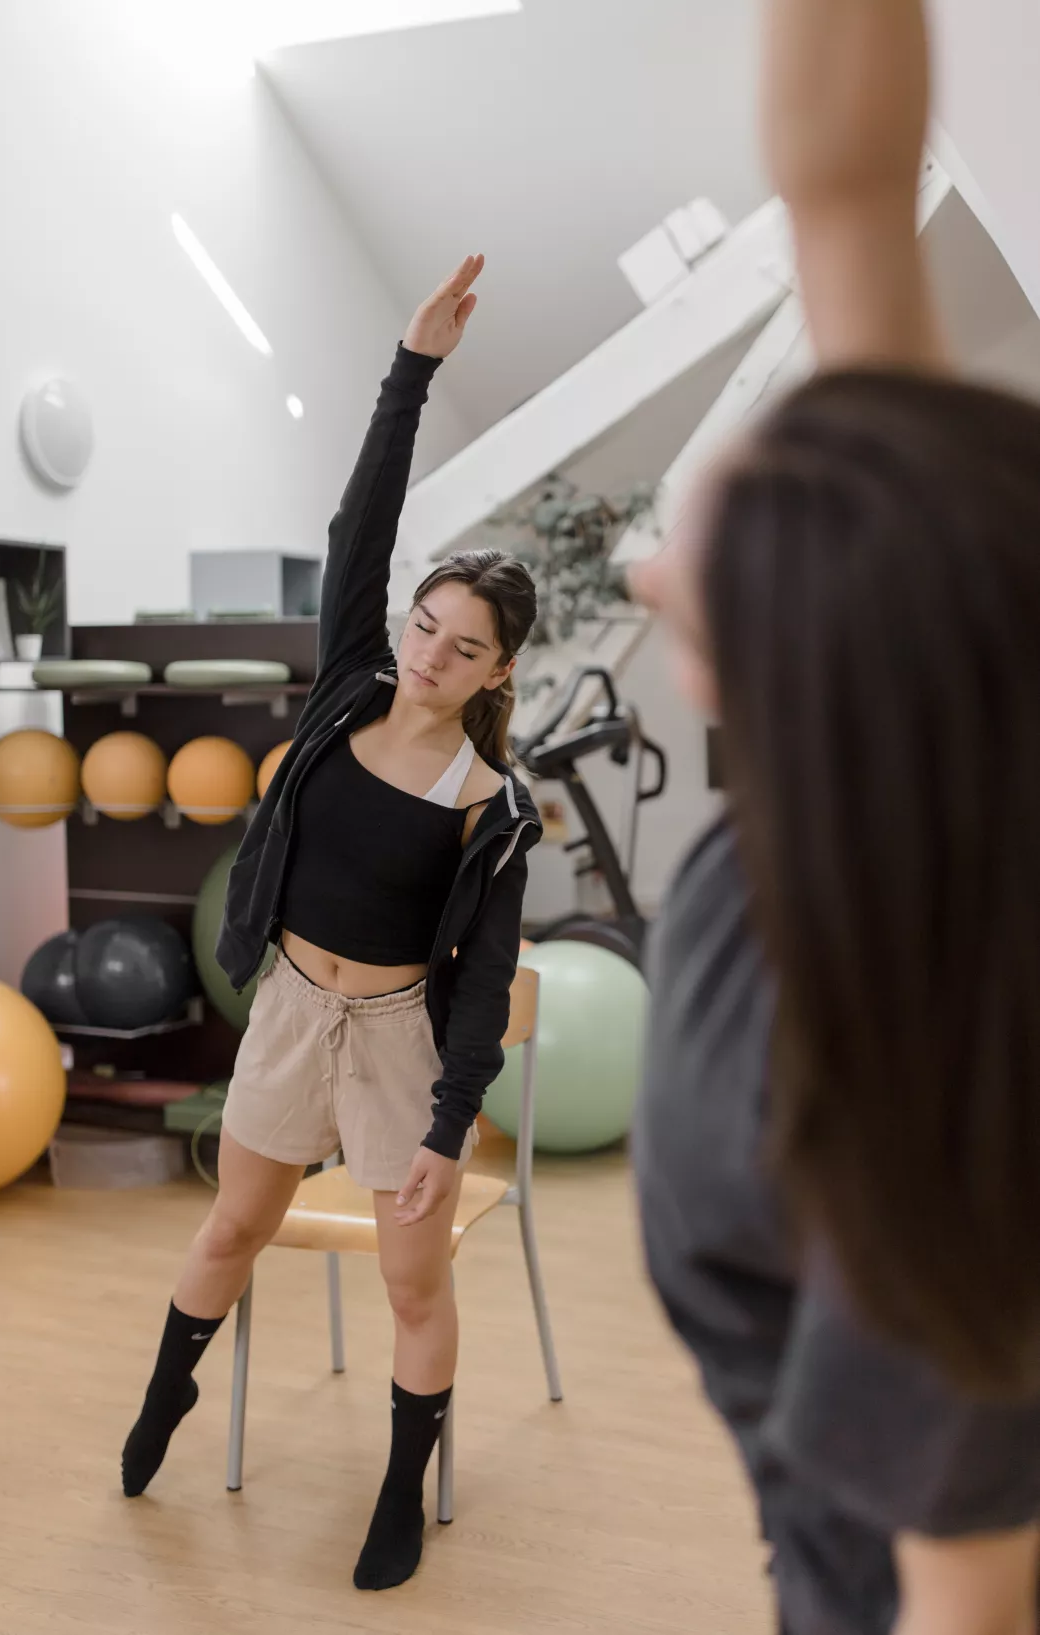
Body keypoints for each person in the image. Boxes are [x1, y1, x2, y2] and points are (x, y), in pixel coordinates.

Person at [632, 1, 1040, 1631]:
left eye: (691, 573)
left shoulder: (913, 1085)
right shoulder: (936, 720)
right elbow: (845, 185)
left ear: (809, 678)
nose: (647, 570)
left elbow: (971, 1602)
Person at [120, 256, 541, 1594]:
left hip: (400, 1036)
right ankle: (164, 1394)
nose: (428, 653)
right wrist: (409, 369)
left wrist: (441, 1122)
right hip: (294, 1006)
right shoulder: (341, 693)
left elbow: (477, 990)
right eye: (424, 626)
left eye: (459, 646)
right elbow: (363, 521)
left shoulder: (491, 803)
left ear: (495, 670)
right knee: (231, 1229)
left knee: (413, 1285)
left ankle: (399, 1489)